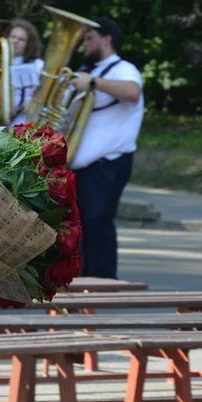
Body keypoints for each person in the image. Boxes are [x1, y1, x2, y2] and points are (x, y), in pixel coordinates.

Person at [67, 18, 143, 279]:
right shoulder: (89, 70)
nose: (84, 44)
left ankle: (102, 286)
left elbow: (132, 92)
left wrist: (93, 83)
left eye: (89, 38)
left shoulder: (124, 69)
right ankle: (82, 286)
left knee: (97, 224)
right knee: (79, 228)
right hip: (83, 167)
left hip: (107, 164)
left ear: (107, 39)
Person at [5, 18, 45, 125]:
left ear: (29, 44)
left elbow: (53, 91)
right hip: (2, 125)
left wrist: (35, 102)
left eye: (21, 39)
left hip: (25, 123)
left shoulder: (37, 65)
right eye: (13, 37)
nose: (15, 41)